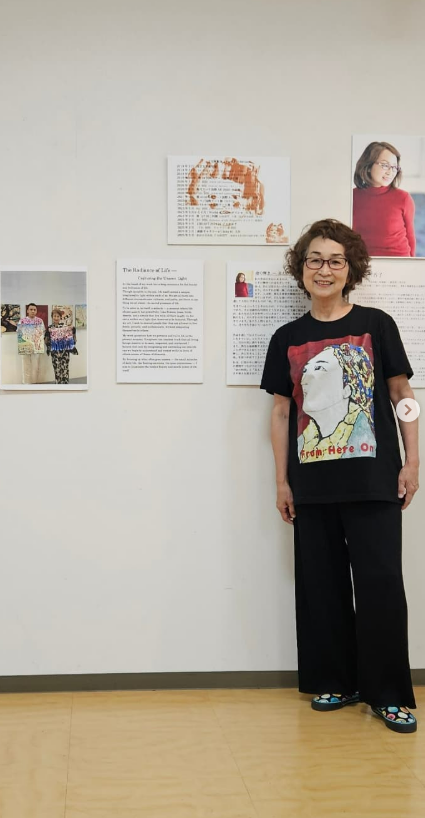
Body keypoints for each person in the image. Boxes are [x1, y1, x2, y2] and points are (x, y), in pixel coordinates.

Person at [261, 218, 418, 734]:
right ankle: (337, 680)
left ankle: (388, 694)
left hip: (374, 481)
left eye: (334, 260)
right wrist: (282, 482)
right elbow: (281, 413)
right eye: (314, 260)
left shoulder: (377, 324)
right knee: (321, 587)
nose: (323, 269)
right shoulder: (287, 338)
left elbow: (403, 396)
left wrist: (412, 461)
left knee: (380, 586)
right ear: (301, 268)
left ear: (351, 268)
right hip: (312, 488)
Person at [352, 141, 416, 257]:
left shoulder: (404, 198)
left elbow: (410, 236)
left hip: (399, 261)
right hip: (362, 262)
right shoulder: (352, 196)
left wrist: (411, 265)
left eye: (394, 167)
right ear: (368, 166)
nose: (390, 172)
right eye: (385, 165)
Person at [45, 307, 78, 384]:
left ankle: (65, 385)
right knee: (57, 370)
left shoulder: (65, 327)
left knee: (65, 369)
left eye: (58, 316)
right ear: (52, 317)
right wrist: (48, 344)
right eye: (54, 316)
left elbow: (72, 334)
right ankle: (58, 385)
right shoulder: (49, 328)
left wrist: (73, 330)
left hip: (65, 352)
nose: (56, 318)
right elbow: (46, 340)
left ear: (60, 317)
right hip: (55, 353)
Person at [17, 303, 46, 384]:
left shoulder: (40, 321)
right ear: (27, 311)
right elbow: (19, 333)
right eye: (31, 309)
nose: (33, 311)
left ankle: (34, 383)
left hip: (36, 347)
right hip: (25, 346)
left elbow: (43, 332)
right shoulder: (22, 321)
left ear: (36, 311)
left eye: (34, 310)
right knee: (25, 366)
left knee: (35, 367)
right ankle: (26, 384)